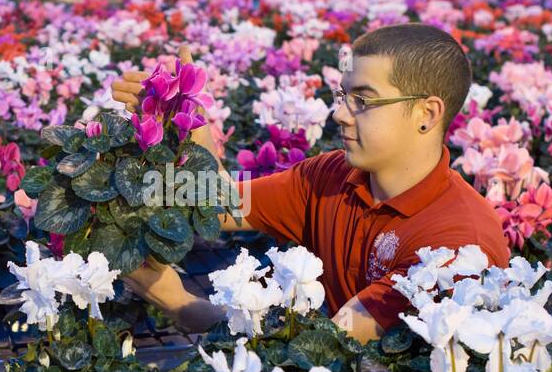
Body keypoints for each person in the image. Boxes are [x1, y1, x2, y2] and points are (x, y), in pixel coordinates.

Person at [112, 23, 509, 343]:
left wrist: (180, 304)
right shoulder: (331, 177)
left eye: (363, 101)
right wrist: (183, 121)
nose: (340, 114)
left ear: (427, 113)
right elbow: (216, 202)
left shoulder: (457, 242)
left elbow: (327, 352)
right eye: (343, 95)